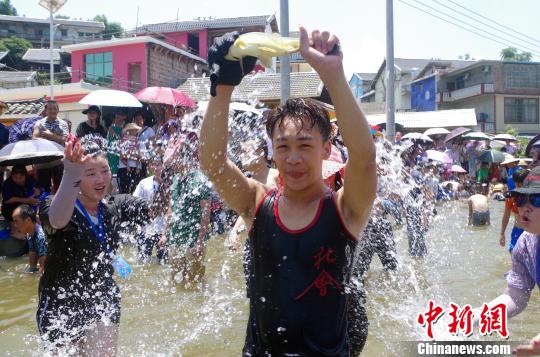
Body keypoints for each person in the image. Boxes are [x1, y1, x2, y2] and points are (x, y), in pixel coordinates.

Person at [200, 28, 376, 355]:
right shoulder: (257, 204)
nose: (293, 158)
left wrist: (334, 78)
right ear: (273, 151)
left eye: (304, 146)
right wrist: (221, 89)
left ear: (326, 149)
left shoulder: (345, 209)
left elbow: (364, 159)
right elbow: (213, 164)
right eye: (283, 146)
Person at [36, 136, 154, 353]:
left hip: (102, 298)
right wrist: (72, 171)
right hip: (60, 302)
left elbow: (156, 209)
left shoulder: (116, 205)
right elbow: (57, 222)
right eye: (90, 173)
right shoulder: (53, 203)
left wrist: (164, 173)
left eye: (105, 171)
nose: (101, 180)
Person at [476, 168, 540, 356]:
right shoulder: (526, 243)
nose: (525, 208)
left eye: (536, 200)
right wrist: (481, 316)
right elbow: (516, 296)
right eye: (520, 200)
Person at [159, 134, 212, 286]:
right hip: (176, 237)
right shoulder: (176, 178)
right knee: (174, 277)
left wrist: (200, 242)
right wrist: (164, 233)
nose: (171, 164)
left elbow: (205, 214)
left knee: (194, 279)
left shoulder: (201, 180)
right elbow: (171, 207)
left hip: (193, 239)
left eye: (174, 160)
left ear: (185, 158)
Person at [133, 158, 166, 262]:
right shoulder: (144, 183)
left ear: (164, 166)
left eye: (159, 164)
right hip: (146, 228)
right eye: (153, 164)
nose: (156, 167)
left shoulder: (170, 182)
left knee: (164, 260)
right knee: (143, 260)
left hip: (163, 228)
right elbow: (134, 200)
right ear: (150, 166)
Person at [32, 100, 68, 193]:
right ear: (46, 110)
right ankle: (45, 207)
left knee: (61, 188)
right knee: (44, 189)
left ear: (58, 110)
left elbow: (64, 139)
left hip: (58, 161)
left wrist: (50, 135)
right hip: (43, 161)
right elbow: (34, 138)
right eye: (50, 108)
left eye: (55, 108)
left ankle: (61, 207)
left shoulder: (63, 124)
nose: (52, 111)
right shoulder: (39, 123)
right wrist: (54, 138)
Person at [499, 169, 529, 252]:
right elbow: (506, 215)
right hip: (518, 230)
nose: (519, 186)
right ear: (515, 183)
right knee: (513, 252)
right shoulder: (511, 197)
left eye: (522, 183)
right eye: (518, 183)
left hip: (532, 231)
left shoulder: (534, 196)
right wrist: (502, 234)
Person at [12, 204, 47, 273]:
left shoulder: (41, 237)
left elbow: (44, 270)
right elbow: (32, 267)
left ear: (28, 220)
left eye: (16, 221)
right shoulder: (30, 234)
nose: (15, 225)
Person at [117, 123, 142, 194]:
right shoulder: (124, 140)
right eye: (134, 130)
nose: (135, 132)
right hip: (125, 166)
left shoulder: (136, 140)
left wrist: (137, 166)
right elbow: (122, 155)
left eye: (135, 130)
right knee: (125, 189)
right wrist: (127, 164)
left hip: (133, 166)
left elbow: (139, 154)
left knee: (133, 189)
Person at [107, 110, 127, 192]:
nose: (117, 118)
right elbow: (115, 136)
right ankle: (109, 191)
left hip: (119, 152)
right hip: (112, 151)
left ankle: (115, 190)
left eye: (119, 116)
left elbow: (123, 139)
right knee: (111, 172)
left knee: (117, 172)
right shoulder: (112, 127)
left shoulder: (124, 128)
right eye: (116, 117)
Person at [134, 110, 156, 178]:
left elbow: (153, 143)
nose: (138, 121)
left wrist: (143, 145)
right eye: (136, 119)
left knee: (144, 175)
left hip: (146, 158)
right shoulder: (133, 131)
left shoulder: (149, 130)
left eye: (140, 119)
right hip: (136, 158)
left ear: (144, 119)